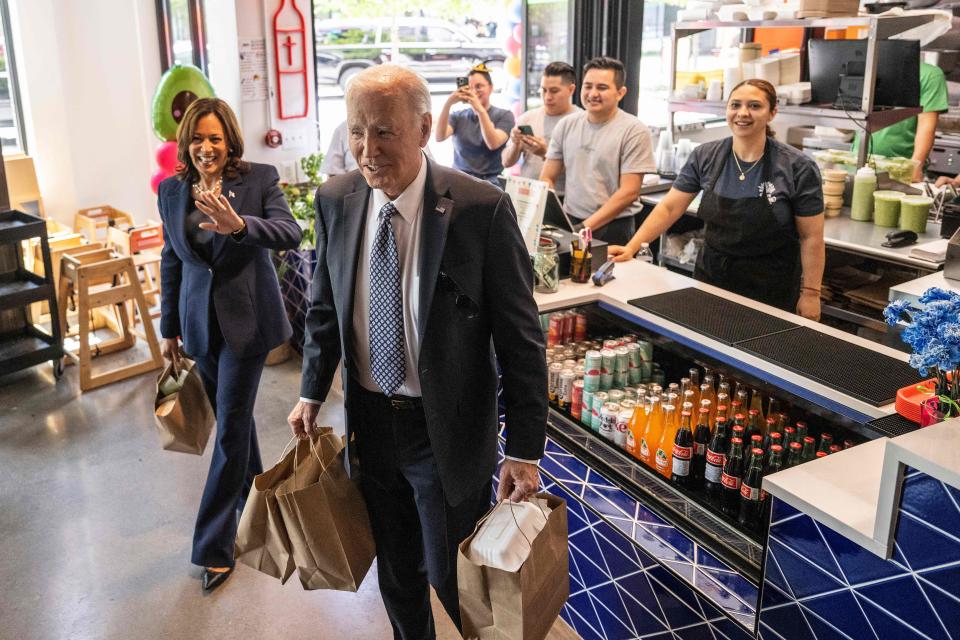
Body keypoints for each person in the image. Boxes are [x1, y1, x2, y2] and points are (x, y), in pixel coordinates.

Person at [287, 65, 547, 639]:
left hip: (446, 432)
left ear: (424, 128)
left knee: (457, 579)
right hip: (371, 424)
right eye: (357, 131)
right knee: (397, 572)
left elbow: (521, 341)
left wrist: (525, 448)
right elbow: (324, 310)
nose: (367, 149)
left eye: (384, 132)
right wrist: (311, 390)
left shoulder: (479, 209)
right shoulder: (336, 199)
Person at [157, 97, 302, 592]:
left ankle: (214, 547)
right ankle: (260, 509)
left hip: (248, 322)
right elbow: (172, 260)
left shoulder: (257, 179)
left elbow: (290, 232)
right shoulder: (172, 192)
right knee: (235, 427)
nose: (206, 147)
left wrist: (239, 226)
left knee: (231, 427)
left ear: (230, 141)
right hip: (200, 326)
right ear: (186, 143)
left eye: (215, 138)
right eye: (197, 138)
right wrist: (168, 327)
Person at [608, 79, 825, 320]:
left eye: (754, 106)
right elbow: (670, 208)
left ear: (772, 113)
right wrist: (632, 246)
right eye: (735, 105)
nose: (743, 113)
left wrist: (811, 294)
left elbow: (811, 236)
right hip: (713, 275)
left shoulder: (797, 167)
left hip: (771, 282)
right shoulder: (706, 155)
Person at [539, 56, 656, 245]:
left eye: (602, 88)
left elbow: (629, 192)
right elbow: (547, 177)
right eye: (588, 86)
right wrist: (551, 214)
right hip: (571, 220)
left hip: (614, 226)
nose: (592, 94)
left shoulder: (634, 131)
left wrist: (585, 227)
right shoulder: (566, 125)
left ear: (620, 92)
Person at [853, 61, 947, 183]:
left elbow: (926, 126)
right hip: (856, 164)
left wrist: (915, 166)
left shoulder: (930, 74)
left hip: (899, 172)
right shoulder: (868, 69)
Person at [501, 61, 580, 195]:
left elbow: (581, 169)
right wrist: (515, 144)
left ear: (571, 90)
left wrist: (545, 153)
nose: (548, 97)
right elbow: (506, 162)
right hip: (527, 195)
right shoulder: (527, 118)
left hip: (563, 197)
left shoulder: (581, 121)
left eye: (554, 91)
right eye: (543, 90)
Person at [436, 62, 515, 185]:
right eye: (469, 87)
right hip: (460, 179)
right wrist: (448, 103)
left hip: (491, 182)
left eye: (479, 86)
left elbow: (493, 143)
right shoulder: (458, 116)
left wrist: (480, 110)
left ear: (491, 88)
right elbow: (439, 137)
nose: (473, 91)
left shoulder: (504, 115)